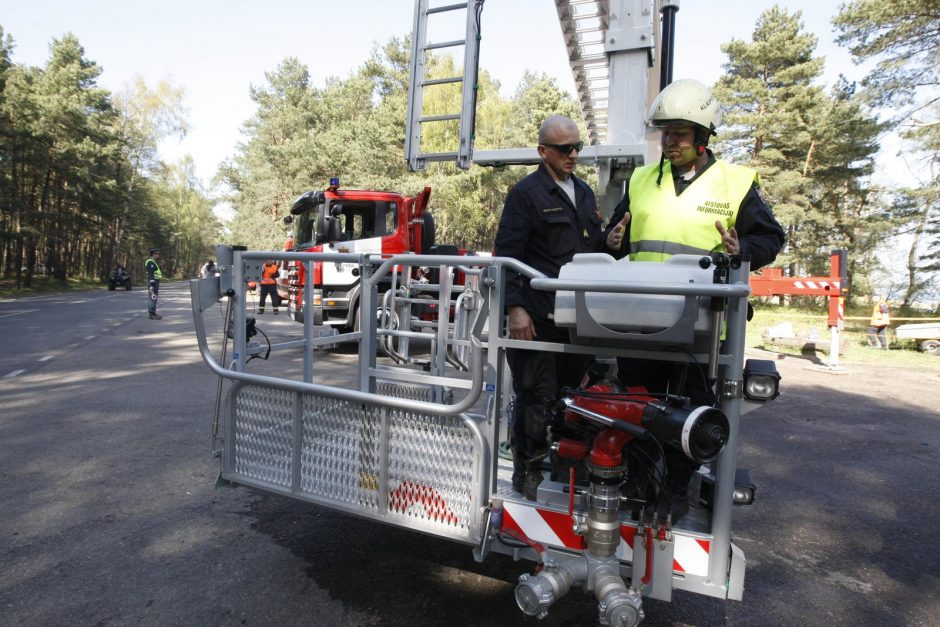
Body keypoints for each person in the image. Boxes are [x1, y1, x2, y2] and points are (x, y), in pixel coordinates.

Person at [604, 79, 785, 519]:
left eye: (680, 134)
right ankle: (639, 478)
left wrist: (743, 251)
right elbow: (616, 238)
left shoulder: (735, 182)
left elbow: (771, 237)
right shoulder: (643, 180)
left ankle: (675, 491)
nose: (670, 142)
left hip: (702, 324)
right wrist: (610, 242)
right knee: (640, 402)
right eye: (665, 133)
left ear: (703, 139)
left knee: (688, 412)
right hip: (641, 318)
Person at [494, 114, 605, 500]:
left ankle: (567, 470)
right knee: (536, 396)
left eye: (578, 147)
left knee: (576, 397)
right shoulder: (526, 194)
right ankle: (527, 470)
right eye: (564, 149)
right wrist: (515, 309)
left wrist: (613, 240)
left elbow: (593, 251)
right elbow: (506, 256)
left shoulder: (585, 193)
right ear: (543, 151)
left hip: (580, 318)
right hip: (538, 316)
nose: (573, 155)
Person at [146, 247, 163, 320]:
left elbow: (156, 271)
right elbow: (151, 273)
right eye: (157, 254)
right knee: (153, 297)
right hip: (153, 282)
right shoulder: (150, 262)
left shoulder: (153, 262)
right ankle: (151, 314)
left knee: (154, 297)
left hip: (155, 281)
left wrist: (161, 265)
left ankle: (153, 312)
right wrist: (151, 285)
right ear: (153, 254)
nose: (158, 255)